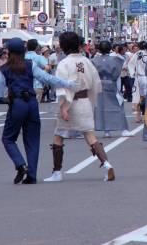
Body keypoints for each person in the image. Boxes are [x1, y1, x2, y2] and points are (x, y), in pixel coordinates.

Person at [0, 38, 76, 184]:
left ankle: (20, 164)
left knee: (8, 138)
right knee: (32, 140)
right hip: (32, 103)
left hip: (17, 104)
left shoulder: (4, 69)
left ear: (9, 52)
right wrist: (67, 83)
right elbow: (48, 78)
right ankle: (32, 175)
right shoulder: (31, 64)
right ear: (23, 50)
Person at [45, 31, 116, 183]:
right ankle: (107, 164)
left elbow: (62, 87)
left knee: (58, 136)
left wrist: (64, 107)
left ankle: (57, 172)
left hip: (70, 104)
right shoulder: (86, 61)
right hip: (85, 101)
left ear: (63, 46)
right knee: (90, 136)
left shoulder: (64, 63)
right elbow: (95, 83)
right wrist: (92, 100)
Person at [92, 40, 130, 137]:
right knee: (118, 105)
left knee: (101, 107)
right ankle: (123, 129)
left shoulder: (94, 60)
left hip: (99, 84)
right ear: (110, 49)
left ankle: (106, 131)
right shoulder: (115, 60)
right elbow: (120, 64)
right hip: (111, 83)